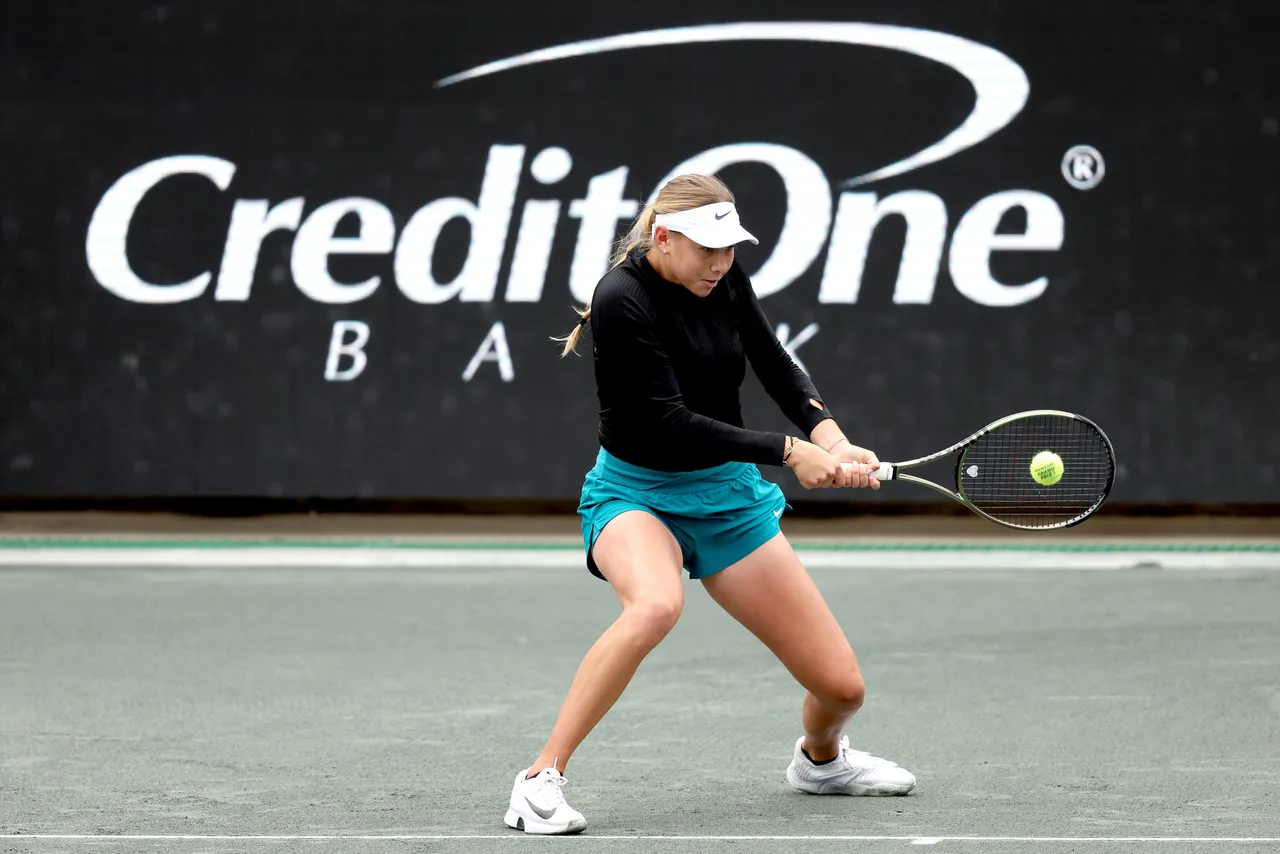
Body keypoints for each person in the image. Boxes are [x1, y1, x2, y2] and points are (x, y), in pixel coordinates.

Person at [503, 173, 916, 836]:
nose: (721, 262)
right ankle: (539, 780)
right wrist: (787, 451)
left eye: (729, 249)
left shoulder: (722, 276)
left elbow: (773, 360)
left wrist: (829, 436)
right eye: (706, 249)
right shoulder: (621, 299)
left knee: (842, 690)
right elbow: (667, 421)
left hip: (726, 498)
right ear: (663, 238)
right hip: (635, 492)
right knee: (656, 605)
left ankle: (822, 762)